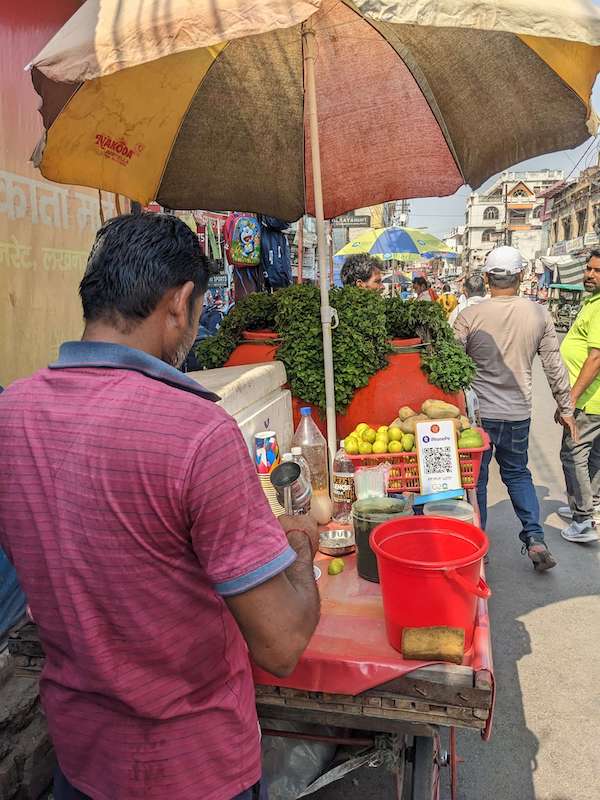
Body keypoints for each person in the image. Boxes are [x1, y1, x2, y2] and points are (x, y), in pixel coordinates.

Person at [0, 213, 320, 800]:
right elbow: (281, 646)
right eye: (197, 313)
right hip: (192, 768)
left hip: (80, 758)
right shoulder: (196, 431)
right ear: (179, 303)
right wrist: (299, 550)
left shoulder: (10, 413)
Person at [454, 246, 576, 571]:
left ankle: (477, 546)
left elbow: (448, 365)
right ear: (521, 277)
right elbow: (554, 367)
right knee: (518, 473)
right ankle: (535, 538)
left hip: (477, 416)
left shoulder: (469, 316)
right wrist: (565, 408)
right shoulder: (538, 314)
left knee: (476, 481)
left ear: (486, 278)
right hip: (518, 414)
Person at [557, 249, 600, 544]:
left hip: (588, 400)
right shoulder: (591, 302)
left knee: (573, 455)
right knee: (593, 455)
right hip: (590, 398)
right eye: (588, 269)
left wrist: (569, 399)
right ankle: (588, 506)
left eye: (597, 271)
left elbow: (595, 358)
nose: (589, 275)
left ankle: (583, 520)